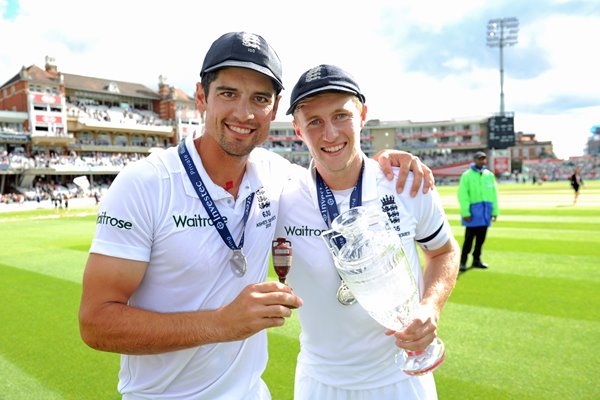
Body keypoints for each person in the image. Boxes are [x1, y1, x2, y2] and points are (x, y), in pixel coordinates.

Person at [78, 33, 433, 399]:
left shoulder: (277, 176)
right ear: (201, 96)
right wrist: (219, 324)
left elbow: (338, 170)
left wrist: (389, 162)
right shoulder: (144, 185)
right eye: (228, 93)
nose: (244, 114)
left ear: (275, 108)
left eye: (259, 99)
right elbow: (96, 323)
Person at [275, 64, 460, 399]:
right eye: (314, 121)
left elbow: (443, 251)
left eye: (341, 116)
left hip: (403, 378)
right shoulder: (281, 197)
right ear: (297, 130)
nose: (329, 134)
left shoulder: (405, 182)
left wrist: (430, 307)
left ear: (362, 114)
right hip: (320, 382)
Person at [457, 151, 499, 271]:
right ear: (474, 160)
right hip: (473, 212)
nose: (482, 161)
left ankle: (477, 260)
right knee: (469, 240)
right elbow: (463, 195)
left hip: (486, 212)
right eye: (480, 159)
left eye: (484, 159)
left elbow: (494, 194)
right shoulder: (467, 175)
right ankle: (463, 262)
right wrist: (465, 212)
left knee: (481, 240)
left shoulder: (489, 175)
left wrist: (494, 212)